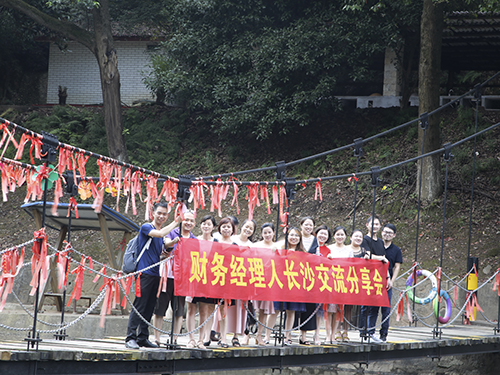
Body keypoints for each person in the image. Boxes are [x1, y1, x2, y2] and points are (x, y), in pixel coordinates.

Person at [125, 202, 180, 349]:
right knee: (140, 305)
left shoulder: (161, 234)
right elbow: (161, 234)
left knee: (150, 307)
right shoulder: (147, 227)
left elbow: (165, 243)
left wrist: (173, 242)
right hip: (144, 273)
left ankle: (143, 337)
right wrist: (176, 222)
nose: (161, 216)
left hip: (156, 274)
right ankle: (130, 337)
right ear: (153, 213)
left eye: (164, 214)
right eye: (159, 213)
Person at [152, 210, 197, 347]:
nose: (188, 223)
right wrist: (173, 242)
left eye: (191, 221)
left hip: (182, 278)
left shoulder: (194, 240)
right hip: (167, 275)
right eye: (186, 220)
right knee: (160, 308)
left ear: (194, 224)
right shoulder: (172, 232)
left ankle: (175, 339)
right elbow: (165, 245)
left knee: (179, 310)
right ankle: (157, 338)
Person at [185, 215, 218, 349]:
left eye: (209, 224)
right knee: (191, 309)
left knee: (204, 310)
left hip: (207, 280)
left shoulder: (216, 242)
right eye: (204, 223)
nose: (206, 226)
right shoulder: (195, 240)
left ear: (213, 227)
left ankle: (200, 340)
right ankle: (191, 339)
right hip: (194, 278)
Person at [273, 227, 307, 345]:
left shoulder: (303, 252)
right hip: (281, 283)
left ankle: (287, 335)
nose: (294, 237)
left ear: (300, 238)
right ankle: (266, 335)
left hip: (294, 284)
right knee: (275, 310)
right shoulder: (281, 248)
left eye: (297, 236)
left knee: (291, 311)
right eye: (291, 235)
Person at [370, 223, 403, 343]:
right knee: (373, 308)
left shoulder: (396, 250)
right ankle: (370, 332)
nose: (387, 234)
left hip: (387, 283)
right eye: (385, 232)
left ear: (394, 235)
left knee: (386, 310)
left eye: (390, 233)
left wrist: (392, 281)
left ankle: (383, 334)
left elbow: (397, 267)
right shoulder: (376, 245)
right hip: (374, 281)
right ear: (381, 232)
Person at [358, 215, 388, 343]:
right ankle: (363, 331)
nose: (374, 226)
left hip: (379, 277)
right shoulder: (364, 239)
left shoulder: (381, 242)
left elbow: (384, 260)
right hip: (366, 276)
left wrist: (388, 277)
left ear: (380, 226)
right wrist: (380, 258)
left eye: (377, 224)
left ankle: (371, 331)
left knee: (375, 306)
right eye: (372, 224)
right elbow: (367, 255)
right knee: (366, 305)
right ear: (367, 225)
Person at [228, 219, 256, 346]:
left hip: (244, 280)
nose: (248, 230)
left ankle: (236, 335)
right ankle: (217, 334)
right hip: (229, 278)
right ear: (241, 227)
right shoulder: (231, 239)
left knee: (241, 309)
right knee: (225, 307)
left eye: (251, 228)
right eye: (246, 227)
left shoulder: (252, 245)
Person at [211, 217, 238, 348]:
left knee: (224, 310)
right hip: (214, 280)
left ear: (233, 229)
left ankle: (223, 337)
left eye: (228, 227)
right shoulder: (214, 242)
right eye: (223, 226)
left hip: (228, 282)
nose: (226, 229)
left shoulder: (235, 245)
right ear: (219, 228)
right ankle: (206, 336)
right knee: (209, 308)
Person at [249, 222, 277, 345]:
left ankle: (259, 335)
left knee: (264, 310)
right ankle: (247, 333)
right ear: (261, 234)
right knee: (252, 308)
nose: (267, 235)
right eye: (265, 232)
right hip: (256, 279)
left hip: (269, 282)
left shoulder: (277, 247)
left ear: (273, 233)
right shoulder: (256, 246)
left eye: (269, 232)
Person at [326, 226, 354, 343]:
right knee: (329, 309)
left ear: (346, 236)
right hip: (329, 282)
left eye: (342, 235)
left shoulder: (349, 250)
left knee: (338, 309)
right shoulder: (329, 248)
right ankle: (328, 335)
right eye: (338, 234)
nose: (340, 237)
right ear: (334, 236)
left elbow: (352, 266)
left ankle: (334, 334)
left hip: (342, 282)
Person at [312, 225, 332, 345]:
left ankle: (317, 334)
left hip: (321, 283)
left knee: (319, 311)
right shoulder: (311, 245)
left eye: (325, 234)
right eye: (321, 233)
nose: (323, 236)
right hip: (308, 281)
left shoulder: (328, 250)